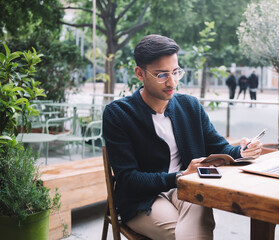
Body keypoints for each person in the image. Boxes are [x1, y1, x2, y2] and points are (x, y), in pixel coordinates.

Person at [102, 34, 263, 240]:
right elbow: (128, 179)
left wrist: (242, 150)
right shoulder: (118, 113)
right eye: (162, 75)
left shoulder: (190, 106)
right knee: (189, 233)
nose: (172, 82)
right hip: (142, 200)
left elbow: (219, 146)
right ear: (140, 74)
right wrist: (179, 177)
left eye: (176, 72)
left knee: (195, 214)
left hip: (185, 189)